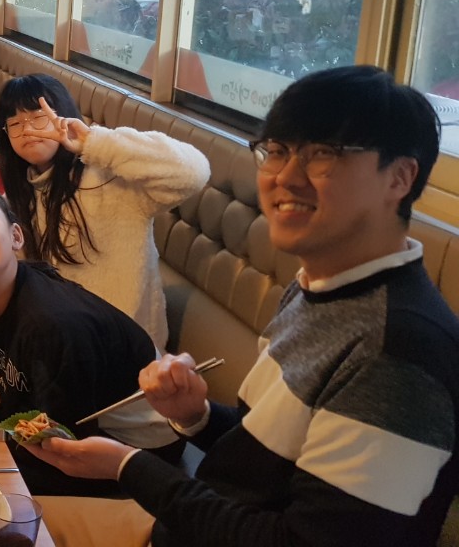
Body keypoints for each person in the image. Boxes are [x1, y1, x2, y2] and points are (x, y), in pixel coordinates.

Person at [30, 66, 459, 547]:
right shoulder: (317, 289)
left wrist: (128, 467)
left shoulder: (397, 354)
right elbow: (267, 463)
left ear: (400, 177)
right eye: (277, 151)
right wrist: (196, 414)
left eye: (324, 155)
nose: (285, 177)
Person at [0, 183, 183, 497]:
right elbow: (11, 375)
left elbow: (65, 446)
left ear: (16, 237)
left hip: (136, 450)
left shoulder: (52, 325)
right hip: (61, 414)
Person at [0, 74, 209, 351]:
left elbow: (193, 172)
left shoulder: (112, 180)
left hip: (125, 350)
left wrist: (93, 142)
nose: (27, 129)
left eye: (38, 117)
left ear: (62, 115)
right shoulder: (18, 197)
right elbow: (8, 274)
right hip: (60, 343)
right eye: (15, 123)